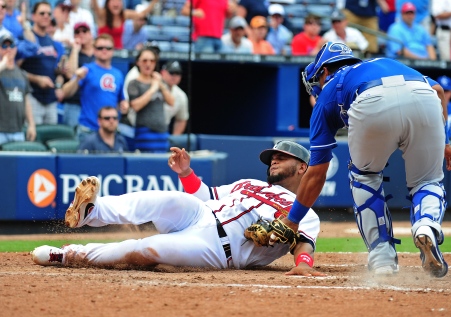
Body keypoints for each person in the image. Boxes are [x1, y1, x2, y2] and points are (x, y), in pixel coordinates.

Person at [281, 42, 451, 278]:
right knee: (427, 180)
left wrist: (293, 220)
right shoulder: (384, 62)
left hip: (369, 100)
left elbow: (316, 173)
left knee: (364, 178)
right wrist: (444, 141)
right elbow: (437, 91)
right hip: (423, 97)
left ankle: (382, 258)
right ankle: (426, 225)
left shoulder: (327, 94)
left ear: (324, 71)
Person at [31, 141, 323, 277]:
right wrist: (186, 173)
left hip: (216, 248)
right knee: (166, 199)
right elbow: (205, 194)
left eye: (281, 157)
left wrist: (303, 265)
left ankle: (68, 255)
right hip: (201, 213)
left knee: (146, 249)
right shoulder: (249, 182)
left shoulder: (306, 213)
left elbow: (303, 245)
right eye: (272, 156)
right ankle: (91, 212)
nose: (273, 160)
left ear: (302, 167)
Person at [61, 34, 127, 142]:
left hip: (110, 131)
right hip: (88, 128)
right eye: (100, 48)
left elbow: (121, 101)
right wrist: (77, 78)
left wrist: (124, 105)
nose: (104, 51)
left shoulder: (118, 74)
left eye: (108, 48)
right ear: (94, 50)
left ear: (113, 51)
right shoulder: (87, 69)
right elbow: (65, 92)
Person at [18, 1, 65, 125]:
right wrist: (37, 79)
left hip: (51, 100)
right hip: (32, 97)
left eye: (49, 14)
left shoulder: (53, 43)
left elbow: (58, 72)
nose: (46, 16)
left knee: (52, 141)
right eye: (42, 13)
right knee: (33, 140)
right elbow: (15, 70)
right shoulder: (26, 39)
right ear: (33, 16)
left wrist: (60, 80)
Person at [127, 47, 175, 152]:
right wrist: (153, 89)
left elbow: (171, 102)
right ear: (138, 62)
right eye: (144, 60)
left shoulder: (159, 81)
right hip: (145, 133)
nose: (148, 64)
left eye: (152, 61)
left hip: (162, 133)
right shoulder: (134, 83)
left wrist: (160, 85)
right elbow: (135, 106)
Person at [0, 33, 36, 145]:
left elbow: (26, 102)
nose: (9, 49)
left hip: (17, 130)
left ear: (16, 48)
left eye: (11, 46)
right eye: (4, 46)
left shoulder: (22, 74)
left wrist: (31, 124)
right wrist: (3, 64)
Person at [60, 22, 94, 128]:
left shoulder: (98, 54)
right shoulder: (70, 54)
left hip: (92, 104)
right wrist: (75, 49)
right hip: (74, 104)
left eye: (84, 31)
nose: (81, 34)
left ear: (90, 34)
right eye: (77, 32)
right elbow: (71, 75)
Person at [91, 0, 158, 49]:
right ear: (107, 3)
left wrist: (154, 2)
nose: (116, 3)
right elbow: (94, 6)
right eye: (113, 1)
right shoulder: (102, 15)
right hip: (103, 51)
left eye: (118, 1)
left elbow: (142, 14)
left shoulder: (123, 15)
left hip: (119, 52)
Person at [161, 61, 189, 135]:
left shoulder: (181, 95)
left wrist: (174, 139)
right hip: (142, 128)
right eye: (171, 73)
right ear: (163, 72)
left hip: (163, 130)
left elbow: (181, 119)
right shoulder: (154, 85)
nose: (174, 76)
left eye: (177, 74)